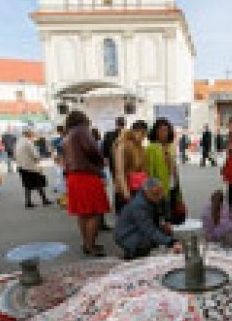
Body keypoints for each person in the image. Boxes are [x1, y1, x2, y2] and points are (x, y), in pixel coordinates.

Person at [63, 110, 110, 257]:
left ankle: (86, 243)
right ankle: (91, 245)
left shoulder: (68, 135)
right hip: (87, 175)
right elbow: (92, 149)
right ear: (83, 119)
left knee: (82, 213)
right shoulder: (82, 130)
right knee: (94, 213)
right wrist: (101, 162)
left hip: (73, 176)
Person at [114, 178, 180, 259]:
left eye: (160, 193)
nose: (159, 197)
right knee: (151, 239)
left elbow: (165, 204)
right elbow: (149, 229)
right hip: (127, 234)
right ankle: (133, 253)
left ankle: (146, 249)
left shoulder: (154, 195)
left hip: (139, 229)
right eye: (156, 194)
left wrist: (167, 221)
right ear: (146, 192)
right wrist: (171, 242)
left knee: (164, 232)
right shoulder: (139, 206)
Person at [145, 118, 177, 221]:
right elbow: (148, 171)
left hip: (171, 186)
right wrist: (151, 189)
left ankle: (165, 235)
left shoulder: (171, 146)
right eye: (161, 130)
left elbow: (174, 167)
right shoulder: (151, 148)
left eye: (166, 130)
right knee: (158, 217)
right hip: (157, 189)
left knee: (169, 216)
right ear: (156, 132)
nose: (164, 133)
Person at [114, 120, 148, 213]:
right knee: (126, 219)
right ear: (134, 131)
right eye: (142, 133)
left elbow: (143, 169)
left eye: (144, 134)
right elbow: (120, 171)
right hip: (125, 188)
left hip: (138, 187)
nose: (143, 137)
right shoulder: (122, 145)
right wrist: (125, 192)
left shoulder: (140, 147)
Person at [15, 128, 51, 208]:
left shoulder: (19, 142)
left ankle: (28, 201)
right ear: (28, 133)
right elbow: (35, 155)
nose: (32, 134)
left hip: (21, 166)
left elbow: (15, 155)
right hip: (30, 166)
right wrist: (38, 160)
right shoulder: (28, 142)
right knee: (39, 183)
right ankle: (44, 200)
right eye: (31, 133)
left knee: (27, 185)